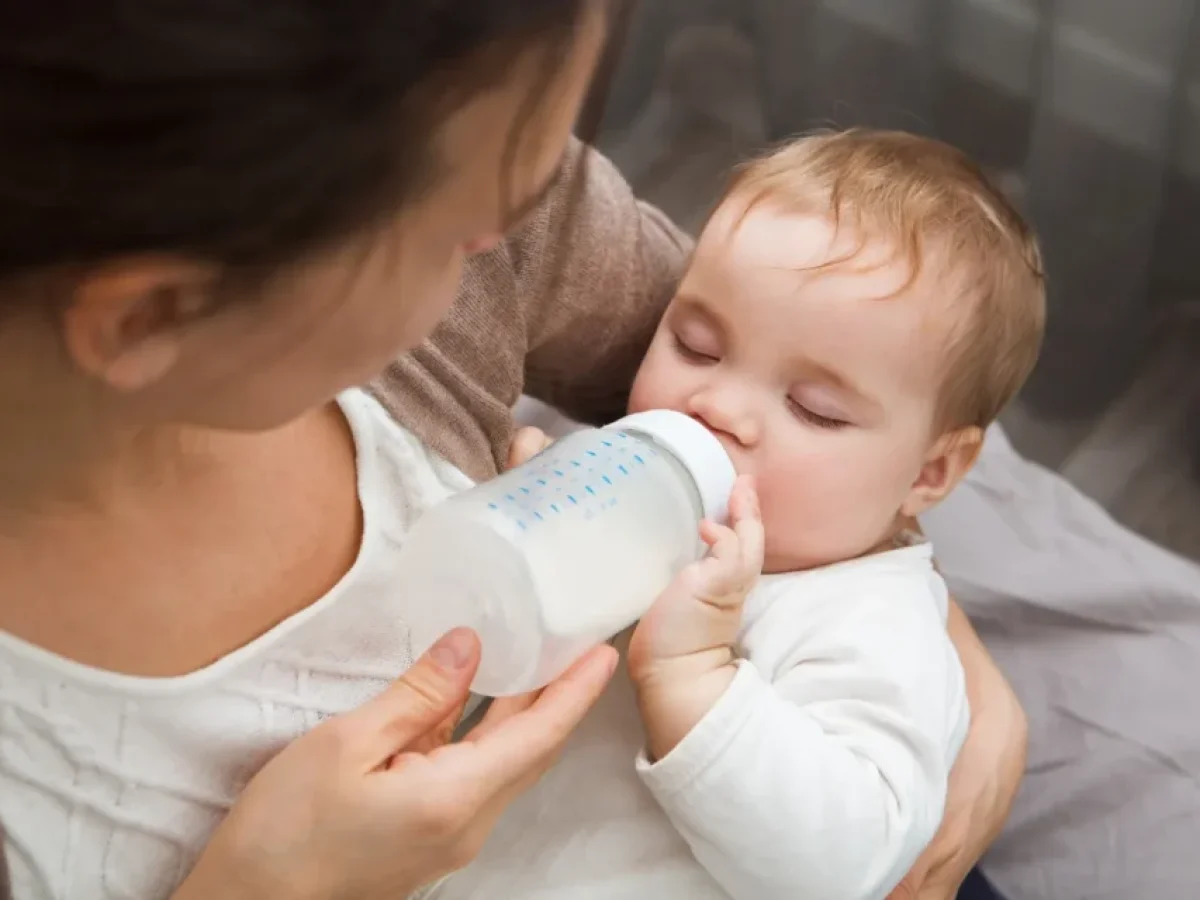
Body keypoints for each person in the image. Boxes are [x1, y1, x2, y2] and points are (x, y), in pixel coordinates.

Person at [0, 2, 1025, 899]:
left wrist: (914, 614)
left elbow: (838, 338)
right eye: (461, 236)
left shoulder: (490, 164)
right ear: (152, 319)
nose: (717, 408)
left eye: (812, 409)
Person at [498, 129, 1044, 900]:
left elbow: (847, 866)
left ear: (929, 473)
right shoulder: (628, 482)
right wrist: (529, 516)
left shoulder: (871, 626)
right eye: (695, 345)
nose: (716, 406)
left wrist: (694, 678)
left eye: (814, 408)